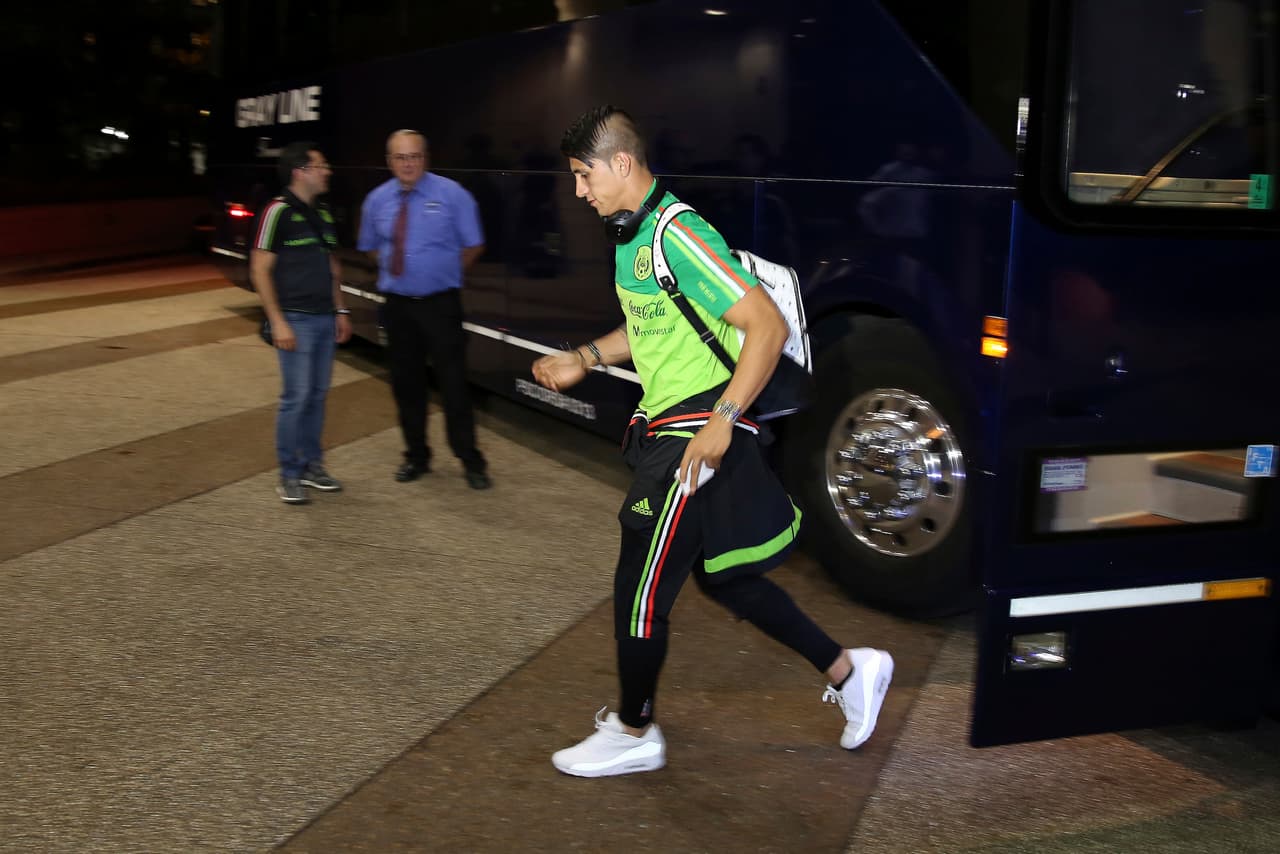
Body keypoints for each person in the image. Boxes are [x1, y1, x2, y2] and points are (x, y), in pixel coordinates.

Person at [533, 106, 893, 777]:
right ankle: (850, 672)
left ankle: (635, 730)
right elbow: (649, 328)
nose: (579, 190)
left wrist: (723, 418)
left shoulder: (681, 234)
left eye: (584, 175)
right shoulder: (629, 237)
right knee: (729, 580)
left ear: (621, 163)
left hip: (696, 432)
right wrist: (585, 354)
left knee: (638, 587)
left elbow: (764, 326)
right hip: (679, 426)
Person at [358, 129, 491, 490]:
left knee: (454, 387)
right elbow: (369, 247)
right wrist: (397, 268)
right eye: (400, 157)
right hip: (398, 308)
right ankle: (416, 456)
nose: (408, 164)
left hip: (441, 306)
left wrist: (444, 271)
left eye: (414, 156)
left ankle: (470, 460)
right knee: (406, 386)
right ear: (389, 162)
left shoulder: (452, 195)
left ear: (425, 158)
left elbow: (474, 244)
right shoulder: (375, 201)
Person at [250, 141, 352, 505]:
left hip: (324, 318)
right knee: (296, 398)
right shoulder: (276, 212)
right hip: (295, 319)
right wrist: (277, 321)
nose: (328, 171)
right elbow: (260, 268)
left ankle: (312, 465)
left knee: (317, 396)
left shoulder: (323, 213)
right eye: (321, 165)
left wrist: (341, 311)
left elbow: (332, 267)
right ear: (300, 171)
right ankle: (289, 473)